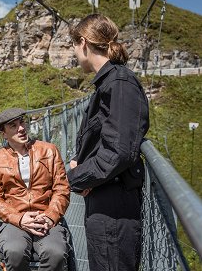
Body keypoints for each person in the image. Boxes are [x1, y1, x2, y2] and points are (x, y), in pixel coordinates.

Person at [67, 14, 149, 271]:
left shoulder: (120, 83)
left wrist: (75, 176)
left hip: (113, 207)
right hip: (103, 196)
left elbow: (119, 152)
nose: (73, 53)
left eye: (73, 45)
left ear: (83, 42)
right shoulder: (108, 83)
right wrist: (80, 162)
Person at [0, 107, 70, 271]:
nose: (21, 128)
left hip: (45, 215)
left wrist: (51, 216)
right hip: (15, 219)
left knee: (56, 253)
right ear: (3, 134)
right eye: (13, 126)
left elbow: (62, 188)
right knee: (14, 252)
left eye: (22, 122)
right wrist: (19, 218)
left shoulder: (49, 150)